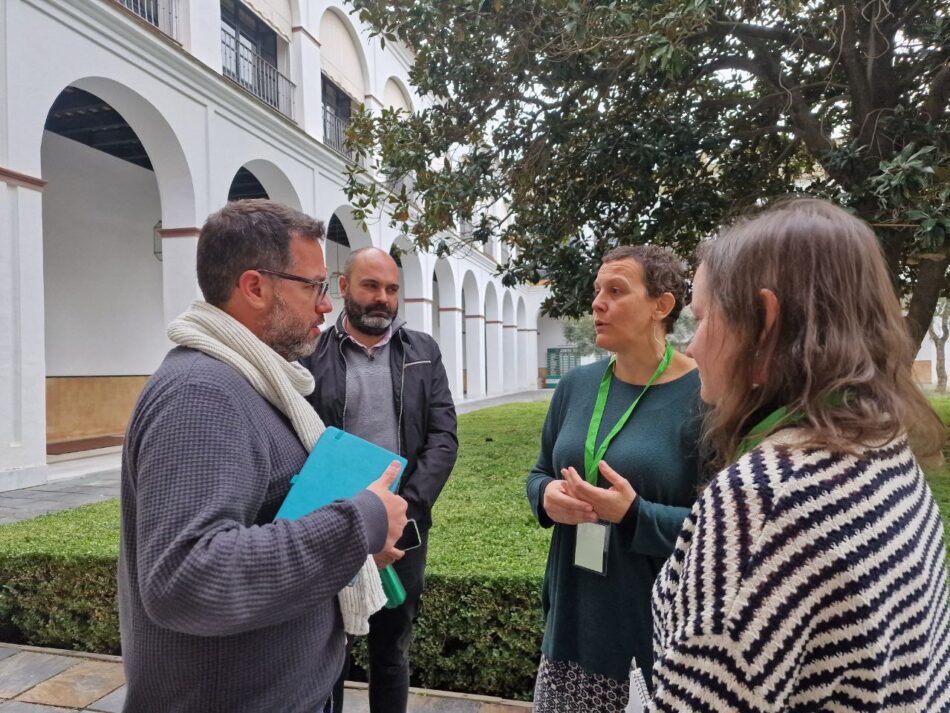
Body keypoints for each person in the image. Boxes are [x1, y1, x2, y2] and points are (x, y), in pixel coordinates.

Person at [641, 198, 950, 711]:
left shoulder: (766, 500)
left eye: (703, 318)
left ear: (764, 323)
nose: (691, 348)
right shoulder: (880, 448)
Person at [118, 200, 408, 713]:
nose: (325, 305)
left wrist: (352, 549)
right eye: (314, 286)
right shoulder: (200, 394)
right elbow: (187, 579)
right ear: (255, 287)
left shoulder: (252, 383)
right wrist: (357, 523)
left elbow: (266, 525)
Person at [526, 245, 704, 711]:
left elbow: (720, 529)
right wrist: (546, 496)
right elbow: (538, 473)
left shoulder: (705, 398)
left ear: (661, 307)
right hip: (570, 623)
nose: (597, 304)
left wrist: (633, 514)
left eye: (616, 290)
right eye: (597, 291)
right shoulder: (576, 387)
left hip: (652, 636)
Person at [302, 247, 458, 713]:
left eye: (391, 289)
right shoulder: (311, 353)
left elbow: (443, 437)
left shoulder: (422, 352)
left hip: (403, 527)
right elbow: (299, 438)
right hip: (332, 523)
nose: (382, 299)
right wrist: (347, 518)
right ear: (344, 287)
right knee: (329, 646)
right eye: (371, 286)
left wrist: (401, 512)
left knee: (391, 648)